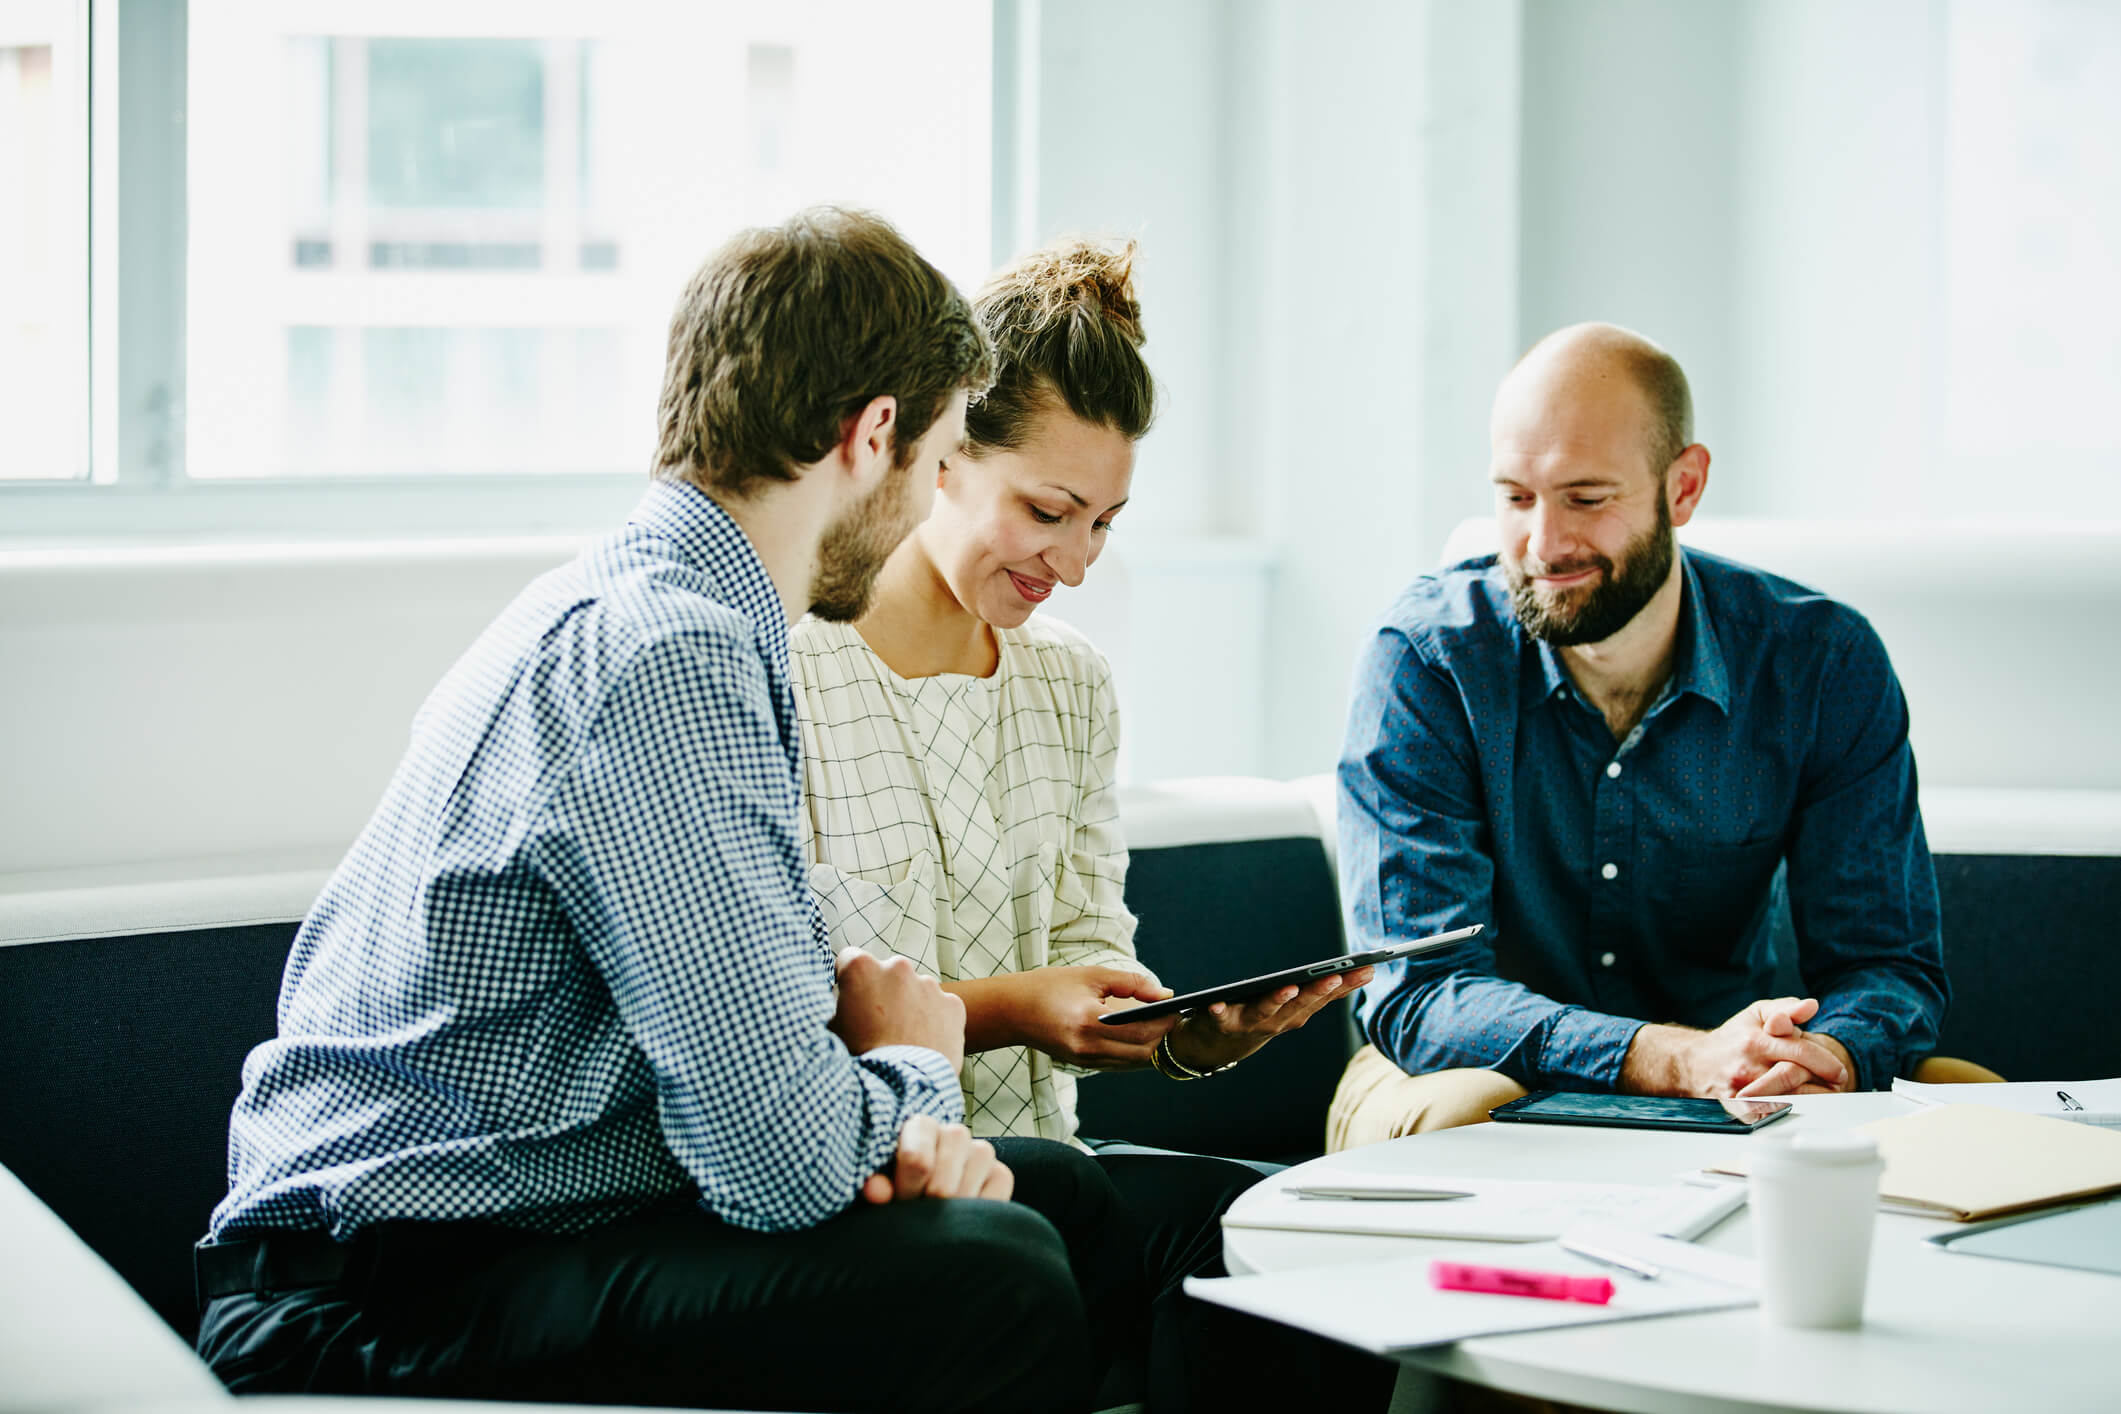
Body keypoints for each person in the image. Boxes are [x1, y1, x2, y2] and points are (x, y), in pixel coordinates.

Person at [194, 208, 1145, 1414]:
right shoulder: (665, 655)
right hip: (378, 1291)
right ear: (874, 437)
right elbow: (779, 1160)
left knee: (1069, 1201)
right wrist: (913, 1066)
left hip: (520, 1227)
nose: (925, 506)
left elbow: (768, 1083)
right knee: (994, 1276)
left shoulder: (671, 612)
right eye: (940, 457)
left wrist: (885, 1091)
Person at [791, 238, 1392, 1413]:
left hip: (1055, 1166)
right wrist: (1019, 1006)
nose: (1073, 563)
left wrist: (1188, 1037)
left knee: (1302, 1243)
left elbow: (1090, 955)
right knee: (1200, 1240)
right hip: (893, 1175)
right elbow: (785, 1018)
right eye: (1048, 511)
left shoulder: (1071, 685)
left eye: (1105, 522)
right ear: (941, 455)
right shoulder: (793, 670)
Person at [1328, 322, 1997, 1152]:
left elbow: (1885, 962)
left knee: (1975, 1106)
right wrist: (1669, 1058)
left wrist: (1824, 1055)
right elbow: (1420, 992)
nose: (1542, 544)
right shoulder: (1427, 659)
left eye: (1586, 498)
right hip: (1468, 1071)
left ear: (1682, 487)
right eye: (1515, 497)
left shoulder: (1820, 661)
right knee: (1467, 1110)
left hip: (1735, 1078)